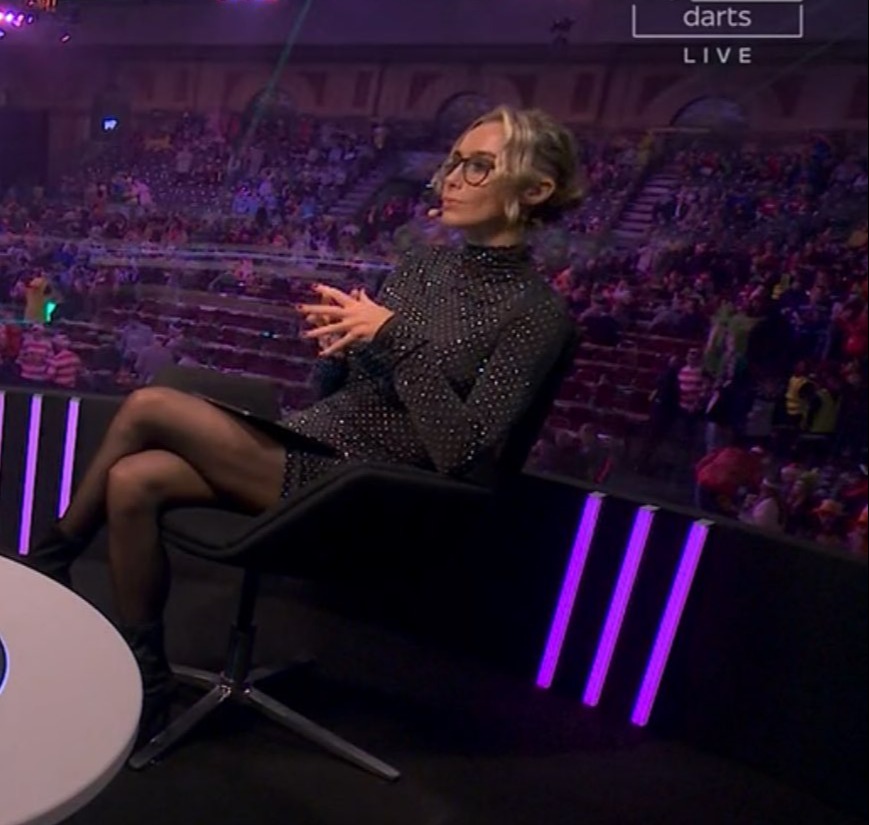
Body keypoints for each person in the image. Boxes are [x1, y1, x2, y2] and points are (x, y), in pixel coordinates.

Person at [13, 105, 580, 748]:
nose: (451, 178)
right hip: (317, 445)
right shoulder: (423, 268)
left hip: (374, 490)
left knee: (153, 404)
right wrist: (339, 354)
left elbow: (463, 451)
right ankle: (153, 680)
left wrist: (393, 340)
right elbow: (349, 394)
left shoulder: (537, 316)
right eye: (453, 161)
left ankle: (52, 558)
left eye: (479, 167)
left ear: (536, 191)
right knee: (135, 480)